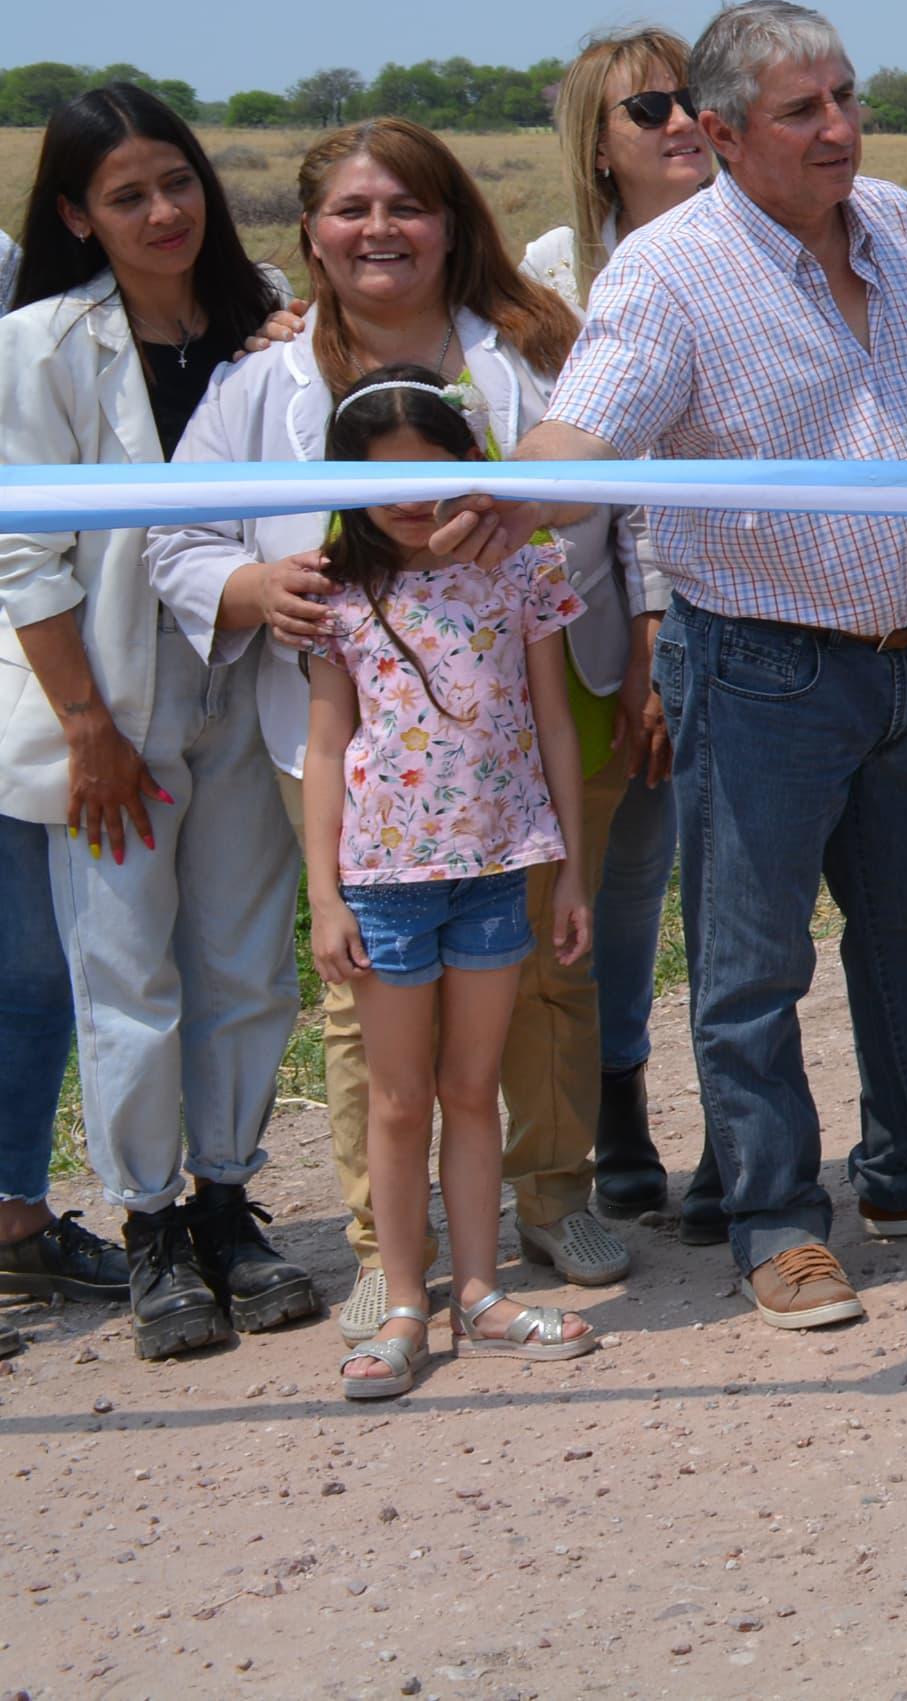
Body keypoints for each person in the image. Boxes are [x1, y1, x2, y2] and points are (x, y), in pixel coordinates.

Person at [511, 0, 907, 1336]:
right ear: (719, 133)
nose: (842, 128)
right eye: (805, 110)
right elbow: (582, 443)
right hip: (757, 669)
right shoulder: (668, 273)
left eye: (846, 98)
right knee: (754, 966)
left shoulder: (893, 221)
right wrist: (483, 495)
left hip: (905, 662)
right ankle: (773, 1219)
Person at [149, 119, 641, 1323]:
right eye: (354, 211)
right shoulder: (258, 384)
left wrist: (525, 522)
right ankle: (389, 1246)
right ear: (311, 234)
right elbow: (176, 531)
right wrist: (250, 590)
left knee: (546, 976)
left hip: (524, 728)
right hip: (344, 750)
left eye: (407, 208)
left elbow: (611, 496)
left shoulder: (524, 352)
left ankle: (551, 1193)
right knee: (365, 996)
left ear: (451, 221)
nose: (382, 231)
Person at [1, 87, 298, 1354]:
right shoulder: (41, 348)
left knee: (242, 958)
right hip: (109, 701)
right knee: (123, 970)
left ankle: (228, 1202)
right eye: (127, 195)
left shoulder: (270, 318)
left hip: (246, 678)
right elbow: (24, 558)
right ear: (76, 214)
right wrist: (90, 728)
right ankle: (150, 1230)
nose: (164, 212)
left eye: (177, 181)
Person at [298, 369, 602, 1396]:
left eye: (431, 474)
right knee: (396, 1099)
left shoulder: (522, 567)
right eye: (384, 479)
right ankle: (400, 1302)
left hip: (495, 868)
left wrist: (567, 872)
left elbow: (555, 720)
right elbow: (327, 746)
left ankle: (479, 1290)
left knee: (472, 1089)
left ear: (469, 468)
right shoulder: (335, 594)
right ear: (346, 483)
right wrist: (326, 897)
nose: (412, 499)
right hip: (382, 882)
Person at [514, 23, 712, 1245]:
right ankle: (613, 1107)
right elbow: (605, 472)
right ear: (598, 144)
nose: (682, 122)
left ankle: (732, 1129)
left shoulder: (749, 240)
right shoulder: (549, 276)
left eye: (693, 99)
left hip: (732, 604)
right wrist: (642, 644)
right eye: (648, 110)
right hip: (602, 634)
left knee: (722, 877)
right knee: (615, 879)